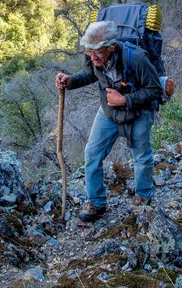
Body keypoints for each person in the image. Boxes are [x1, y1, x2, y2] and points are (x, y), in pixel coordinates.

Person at [55, 20, 163, 223]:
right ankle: (96, 202)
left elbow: (155, 90)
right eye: (88, 51)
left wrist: (125, 99)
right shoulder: (93, 57)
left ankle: (143, 196)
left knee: (141, 157)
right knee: (92, 153)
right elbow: (89, 74)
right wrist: (70, 81)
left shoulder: (136, 58)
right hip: (109, 112)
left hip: (138, 113)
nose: (92, 56)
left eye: (98, 52)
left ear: (112, 46)